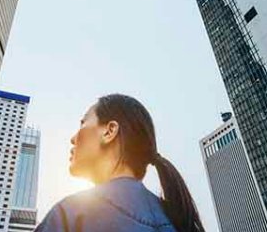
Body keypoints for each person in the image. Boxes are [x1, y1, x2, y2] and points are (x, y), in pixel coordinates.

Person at [35, 94, 205, 232]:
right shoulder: (178, 221)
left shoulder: (70, 216)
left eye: (83, 122)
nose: (73, 139)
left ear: (109, 131)